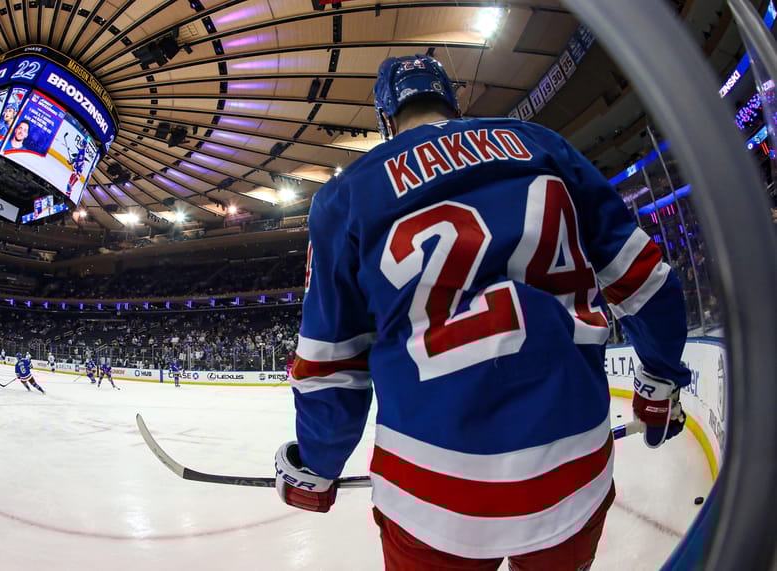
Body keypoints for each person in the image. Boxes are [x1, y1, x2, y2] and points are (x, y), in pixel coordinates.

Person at [274, 55, 692, 571]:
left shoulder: (344, 197)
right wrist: (659, 380)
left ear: (386, 120)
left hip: (432, 492)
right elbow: (645, 281)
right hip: (574, 466)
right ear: (452, 100)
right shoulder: (540, 143)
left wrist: (316, 465)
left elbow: (331, 366)